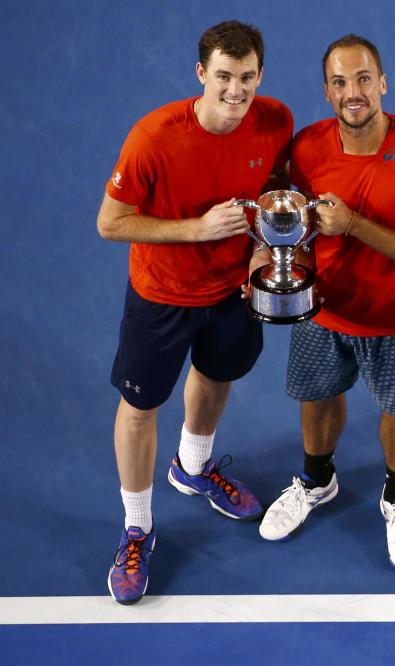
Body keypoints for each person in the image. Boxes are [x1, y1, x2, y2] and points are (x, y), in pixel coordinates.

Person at [96, 20, 292, 605]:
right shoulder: (153, 137)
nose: (237, 91)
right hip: (161, 294)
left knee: (216, 375)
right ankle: (137, 527)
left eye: (248, 77)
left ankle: (193, 466)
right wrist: (197, 230)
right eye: (225, 77)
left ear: (261, 74)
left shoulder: (274, 120)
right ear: (201, 74)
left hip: (234, 290)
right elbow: (111, 222)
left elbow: (274, 187)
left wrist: (262, 244)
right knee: (139, 407)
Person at [257, 35, 395, 572]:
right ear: (326, 91)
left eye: (363, 79)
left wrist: (353, 226)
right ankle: (317, 480)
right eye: (340, 83)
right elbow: (279, 216)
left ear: (383, 83)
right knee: (317, 397)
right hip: (323, 309)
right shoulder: (305, 147)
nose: (353, 92)